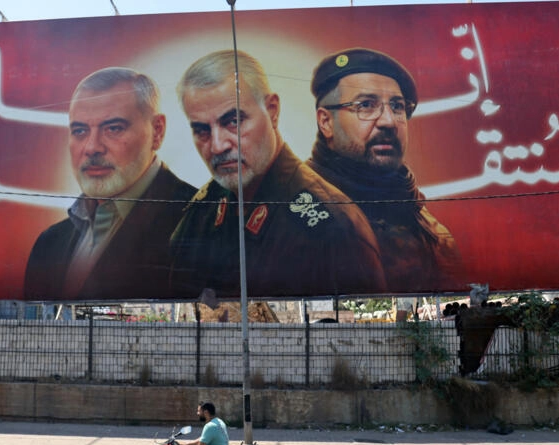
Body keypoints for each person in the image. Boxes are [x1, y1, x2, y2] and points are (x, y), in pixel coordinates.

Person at [168, 50, 386, 299]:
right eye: (202, 130)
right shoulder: (199, 213)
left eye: (233, 121)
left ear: (272, 111)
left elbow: (357, 330)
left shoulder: (334, 228)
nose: (218, 146)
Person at [24, 67, 195, 300]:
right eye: (80, 130)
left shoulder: (199, 223)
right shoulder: (49, 244)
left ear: (157, 131)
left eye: (113, 128)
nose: (92, 147)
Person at [307, 48, 461, 292]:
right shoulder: (296, 209)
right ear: (326, 122)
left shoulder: (430, 230)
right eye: (366, 105)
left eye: (398, 106)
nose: (389, 121)